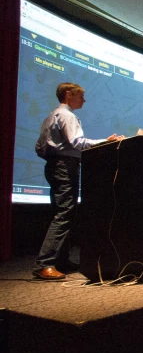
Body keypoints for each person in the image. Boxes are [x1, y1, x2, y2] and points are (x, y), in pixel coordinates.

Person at [34, 83, 121, 280]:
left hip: (55, 166)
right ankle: (44, 264)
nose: (84, 100)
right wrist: (105, 142)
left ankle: (61, 261)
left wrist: (55, 158)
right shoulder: (67, 116)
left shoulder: (51, 116)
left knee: (61, 212)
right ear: (68, 94)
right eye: (81, 96)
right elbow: (78, 142)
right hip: (66, 167)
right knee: (64, 214)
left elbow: (39, 147)